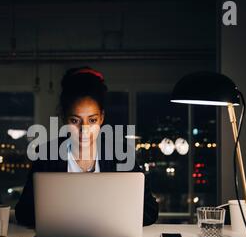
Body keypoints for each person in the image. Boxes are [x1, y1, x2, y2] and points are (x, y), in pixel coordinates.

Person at [15, 66, 158, 227]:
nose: (84, 130)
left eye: (92, 120)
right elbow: (23, 213)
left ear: (102, 118)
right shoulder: (47, 155)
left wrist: (110, 217)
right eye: (75, 121)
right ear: (63, 119)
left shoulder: (120, 155)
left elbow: (150, 210)